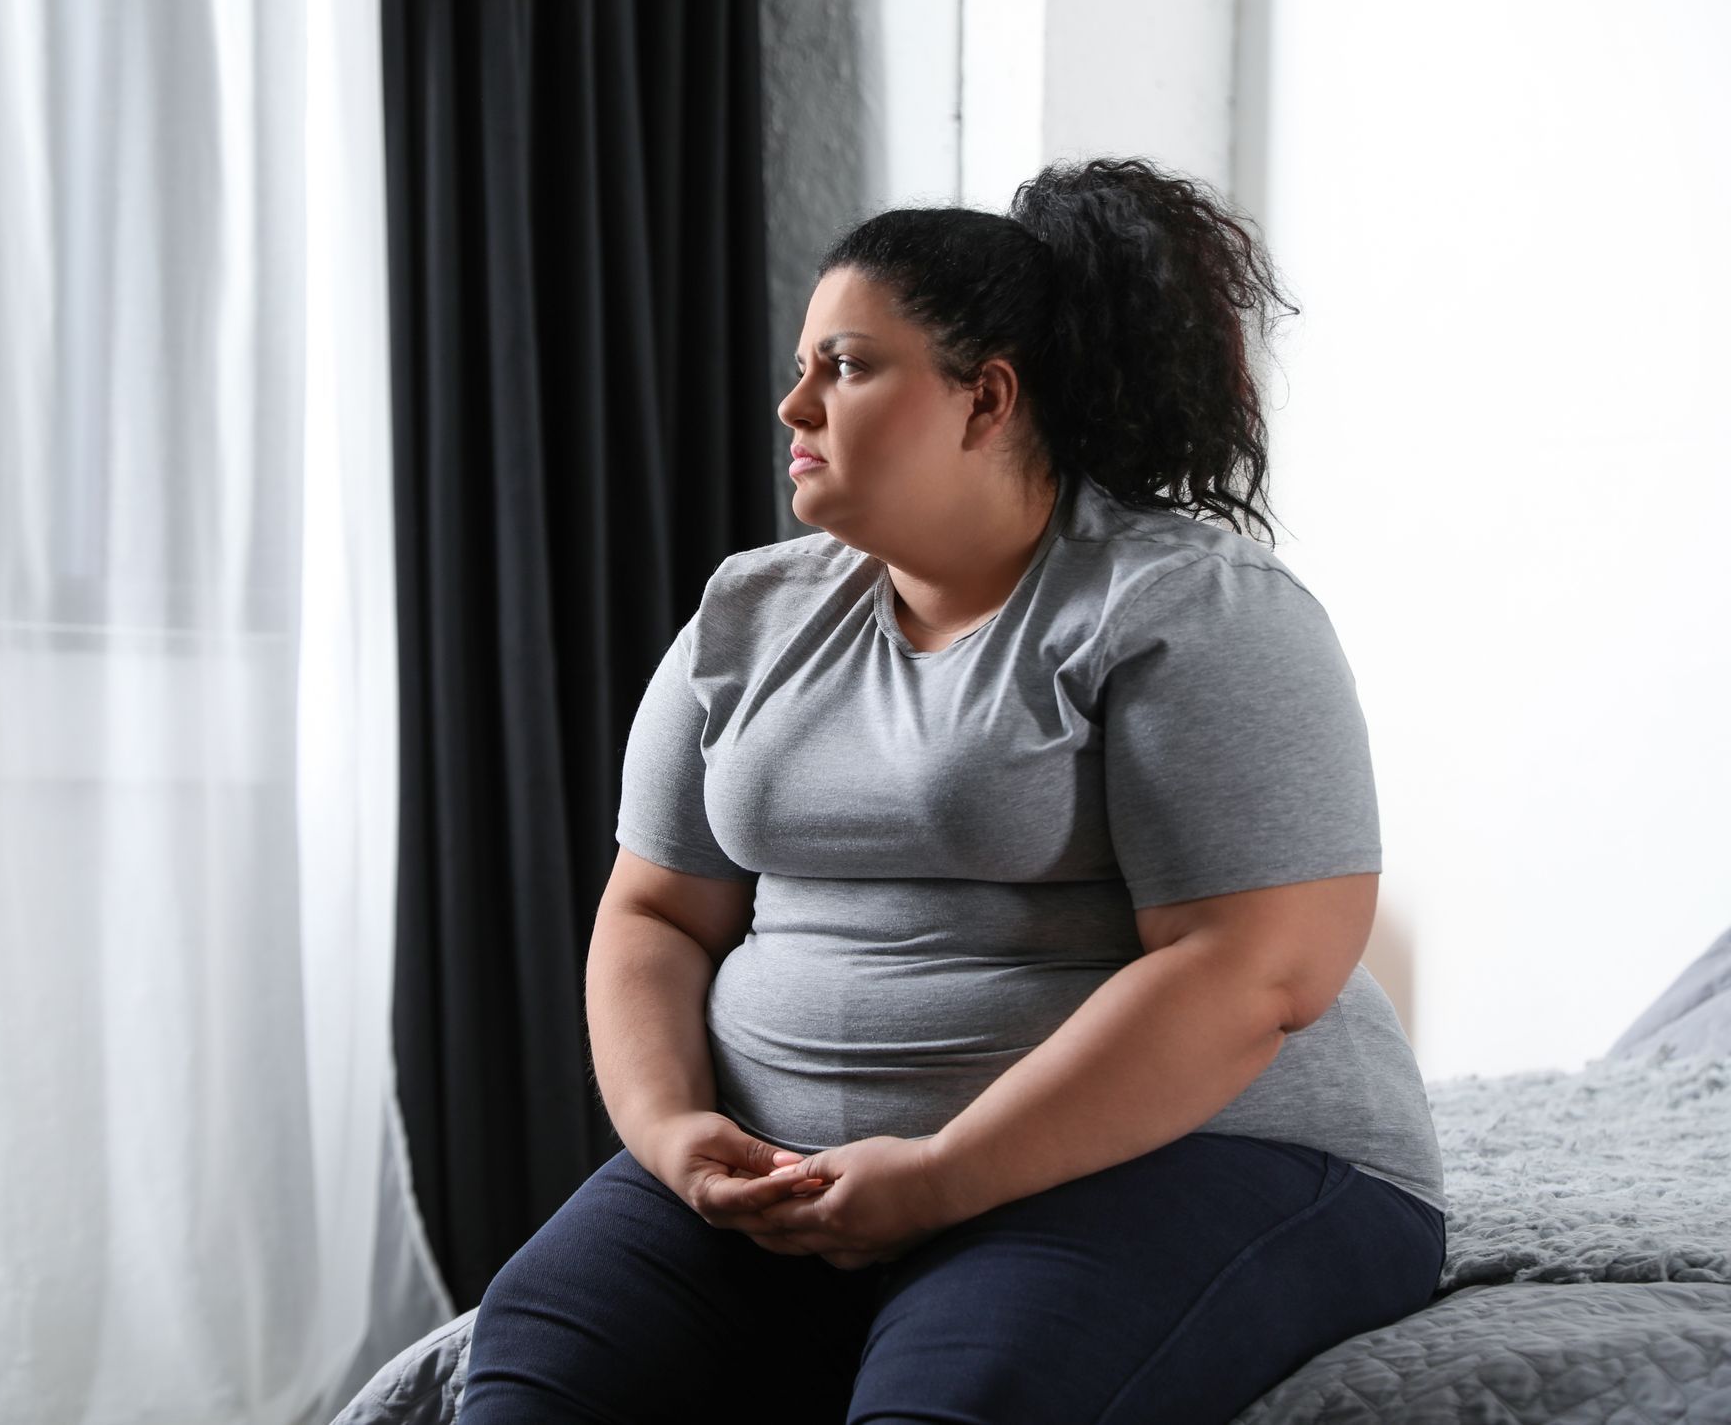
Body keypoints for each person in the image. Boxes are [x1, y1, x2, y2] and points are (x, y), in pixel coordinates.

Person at [458, 156, 1447, 1425]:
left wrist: (938, 1176)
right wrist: (670, 1133)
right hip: (787, 1171)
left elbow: (1255, 971)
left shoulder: (1191, 611)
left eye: (847, 366)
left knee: (963, 1400)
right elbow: (654, 914)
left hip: (1202, 1155)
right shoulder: (747, 613)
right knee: (535, 1371)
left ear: (986, 399)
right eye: (805, 364)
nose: (791, 404)